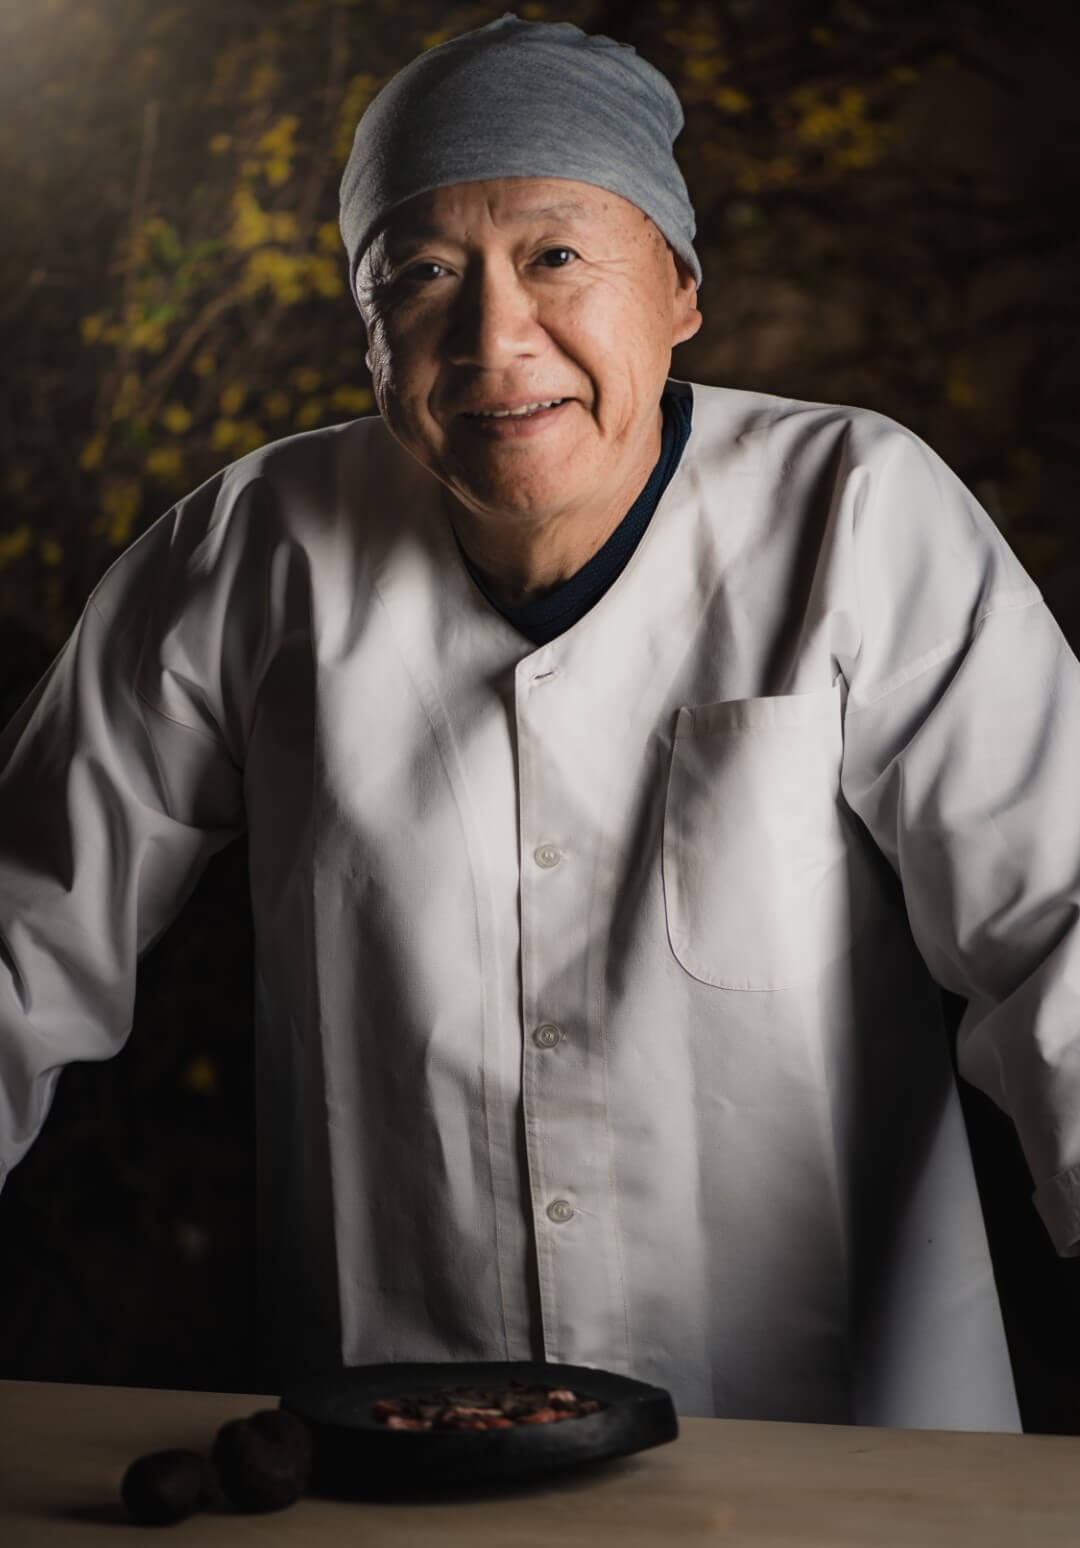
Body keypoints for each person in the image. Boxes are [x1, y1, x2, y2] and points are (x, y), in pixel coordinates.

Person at [2, 12, 1078, 1432]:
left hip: (825, 1437)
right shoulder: (254, 549)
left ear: (680, 288)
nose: (496, 339)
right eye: (423, 274)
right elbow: (22, 929)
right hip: (403, 1425)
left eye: (557, 255)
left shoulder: (860, 510)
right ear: (369, 327)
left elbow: (1062, 938)